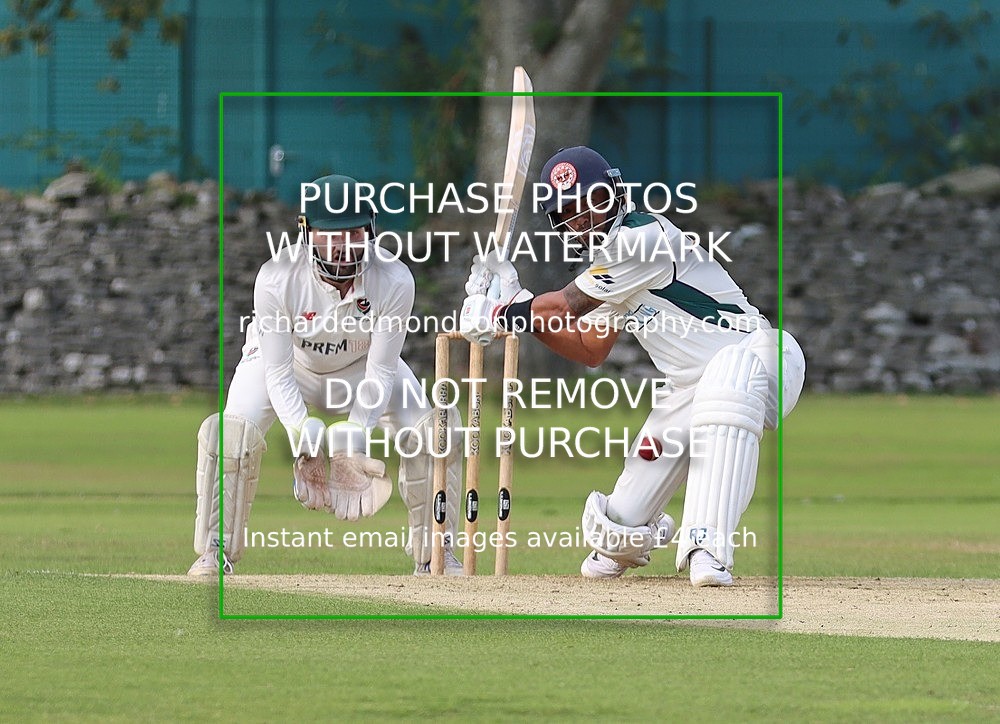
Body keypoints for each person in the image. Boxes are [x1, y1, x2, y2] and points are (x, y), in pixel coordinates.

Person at [460, 147, 805, 587]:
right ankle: (623, 542)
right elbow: (589, 346)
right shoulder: (610, 268)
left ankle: (707, 548)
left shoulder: (641, 238)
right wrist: (517, 313)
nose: (584, 219)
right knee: (626, 511)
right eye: (570, 213)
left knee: (726, 378)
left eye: (593, 202)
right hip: (690, 389)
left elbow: (568, 304)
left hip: (759, 358)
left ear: (617, 193)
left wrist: (503, 310)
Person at [188, 174, 463, 577]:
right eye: (329, 234)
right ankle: (215, 551)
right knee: (230, 436)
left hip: (361, 370)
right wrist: (304, 438)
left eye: (352, 233)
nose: (341, 247)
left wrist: (351, 441)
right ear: (307, 233)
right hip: (289, 368)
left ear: (369, 232)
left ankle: (436, 557)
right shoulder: (276, 278)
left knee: (437, 432)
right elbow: (278, 373)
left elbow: (382, 370)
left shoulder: (394, 279)